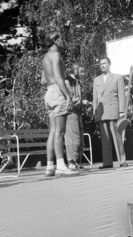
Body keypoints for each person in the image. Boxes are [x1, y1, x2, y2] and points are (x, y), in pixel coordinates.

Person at [41, 30, 79, 177]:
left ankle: (50, 167)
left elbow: (43, 80)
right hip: (57, 92)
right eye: (61, 38)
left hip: (49, 93)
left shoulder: (45, 57)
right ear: (55, 40)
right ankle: (61, 166)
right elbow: (58, 77)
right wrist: (68, 96)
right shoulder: (55, 55)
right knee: (60, 132)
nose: (63, 40)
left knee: (53, 131)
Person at [93, 57, 128, 168]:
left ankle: (122, 161)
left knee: (117, 137)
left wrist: (122, 111)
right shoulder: (96, 80)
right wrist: (95, 112)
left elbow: (122, 95)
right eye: (100, 64)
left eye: (104, 63)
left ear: (109, 64)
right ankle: (107, 162)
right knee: (105, 139)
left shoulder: (117, 77)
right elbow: (95, 98)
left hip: (113, 110)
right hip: (102, 112)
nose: (102, 65)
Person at [64, 63, 85, 170]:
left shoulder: (77, 82)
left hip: (79, 113)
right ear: (74, 70)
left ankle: (78, 161)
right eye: (80, 71)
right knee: (73, 137)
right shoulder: (67, 81)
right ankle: (71, 161)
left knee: (80, 137)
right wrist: (81, 101)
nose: (82, 73)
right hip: (71, 113)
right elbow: (69, 99)